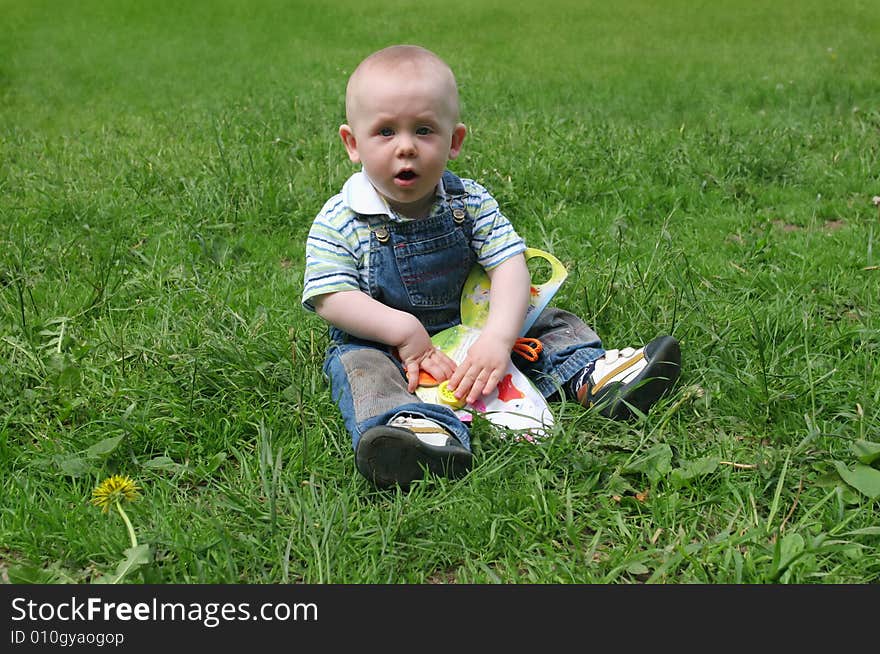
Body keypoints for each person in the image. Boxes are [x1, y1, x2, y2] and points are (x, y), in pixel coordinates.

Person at [302, 44, 681, 489]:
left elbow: (508, 266)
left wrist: (499, 338)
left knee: (542, 318)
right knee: (360, 365)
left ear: (454, 140)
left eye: (423, 130)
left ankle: (593, 376)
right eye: (385, 132)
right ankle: (414, 432)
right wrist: (403, 331)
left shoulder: (469, 202)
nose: (405, 147)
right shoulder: (341, 218)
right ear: (352, 143)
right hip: (385, 339)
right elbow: (330, 295)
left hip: (475, 319)